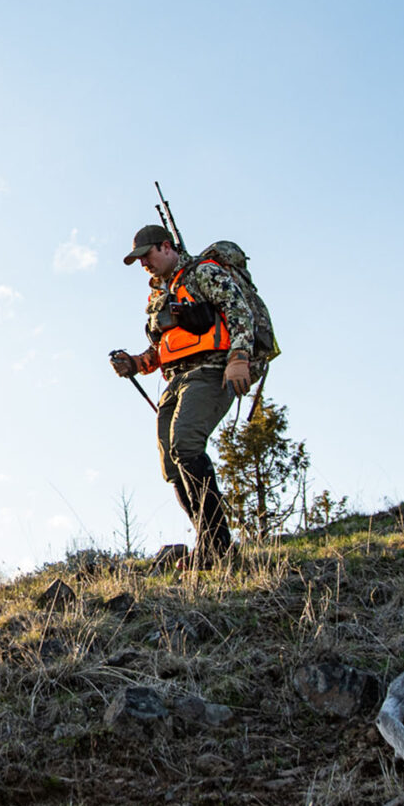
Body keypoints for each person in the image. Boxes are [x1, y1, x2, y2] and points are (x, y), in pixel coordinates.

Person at [110, 224, 271, 568]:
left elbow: (238, 310)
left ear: (166, 246)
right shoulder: (159, 296)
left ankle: (218, 549)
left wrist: (240, 358)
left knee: (186, 445)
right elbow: (164, 347)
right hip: (176, 379)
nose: (144, 265)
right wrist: (136, 364)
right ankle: (209, 546)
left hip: (213, 371)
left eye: (146, 256)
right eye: (138, 261)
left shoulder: (204, 273)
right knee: (172, 462)